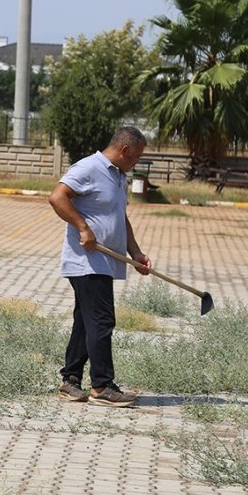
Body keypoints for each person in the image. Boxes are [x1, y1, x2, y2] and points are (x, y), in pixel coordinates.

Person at [47, 127, 152, 407]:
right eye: (137, 157)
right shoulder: (89, 167)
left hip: (105, 262)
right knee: (102, 321)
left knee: (86, 322)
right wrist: (82, 227)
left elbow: (120, 217)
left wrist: (136, 252)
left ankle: (70, 381)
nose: (137, 162)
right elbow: (57, 197)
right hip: (87, 262)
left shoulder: (119, 176)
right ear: (125, 150)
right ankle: (102, 386)